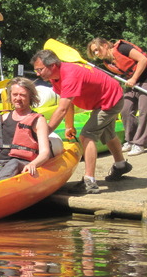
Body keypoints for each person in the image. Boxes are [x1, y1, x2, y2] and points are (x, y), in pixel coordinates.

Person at [31, 50, 132, 194]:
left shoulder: (70, 75)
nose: (37, 74)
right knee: (107, 134)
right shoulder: (56, 77)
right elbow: (67, 103)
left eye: (40, 70)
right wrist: (69, 126)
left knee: (87, 135)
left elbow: (61, 110)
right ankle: (121, 165)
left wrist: (44, 133)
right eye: (36, 70)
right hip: (103, 99)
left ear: (52, 65)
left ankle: (89, 181)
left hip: (111, 100)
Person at [87, 38, 147, 156]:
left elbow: (143, 59)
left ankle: (140, 143)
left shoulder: (122, 48)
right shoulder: (108, 62)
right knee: (125, 110)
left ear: (105, 45)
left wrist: (134, 79)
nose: (96, 54)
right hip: (132, 82)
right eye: (94, 52)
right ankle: (130, 141)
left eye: (97, 50)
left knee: (144, 111)